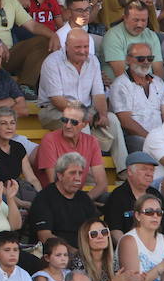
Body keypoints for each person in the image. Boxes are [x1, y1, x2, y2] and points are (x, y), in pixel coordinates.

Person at [38, 32, 124, 181]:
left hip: (85, 109)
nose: (83, 51)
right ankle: (85, 174)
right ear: (66, 47)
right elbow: (57, 100)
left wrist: (102, 114)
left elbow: (98, 94)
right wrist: (83, 115)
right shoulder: (52, 62)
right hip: (53, 111)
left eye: (86, 47)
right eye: (78, 47)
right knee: (79, 123)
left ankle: (123, 171)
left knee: (113, 120)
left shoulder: (93, 61)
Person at [25, 151, 100, 247]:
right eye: (72, 173)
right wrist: (73, 252)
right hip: (55, 254)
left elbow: (96, 229)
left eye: (80, 173)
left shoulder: (84, 198)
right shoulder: (44, 198)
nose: (77, 178)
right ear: (60, 175)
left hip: (84, 251)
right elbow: (45, 236)